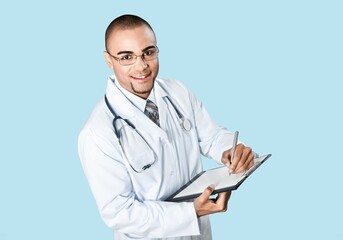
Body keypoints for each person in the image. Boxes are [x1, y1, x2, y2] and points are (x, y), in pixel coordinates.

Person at [78, 14, 255, 240]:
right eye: (126, 57)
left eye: (148, 52)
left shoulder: (177, 91)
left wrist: (231, 150)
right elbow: (119, 212)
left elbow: (211, 137)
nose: (141, 66)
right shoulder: (97, 133)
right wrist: (190, 212)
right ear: (108, 60)